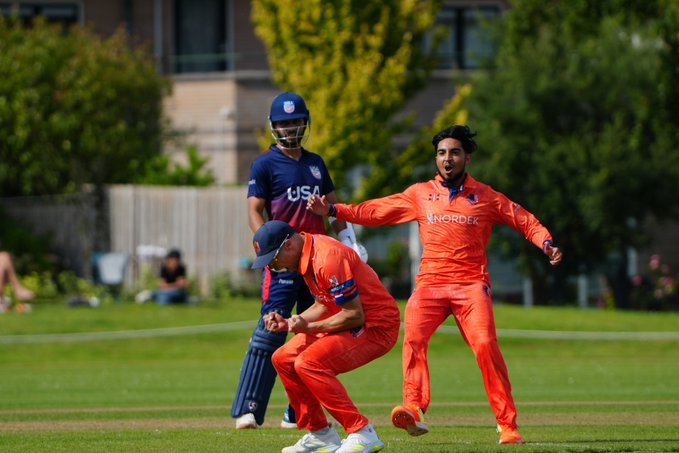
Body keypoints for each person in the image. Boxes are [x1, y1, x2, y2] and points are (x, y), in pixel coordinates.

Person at [307, 125, 564, 445]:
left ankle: (507, 424)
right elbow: (378, 210)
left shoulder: (485, 196)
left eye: (454, 152)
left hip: (471, 285)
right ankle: (414, 407)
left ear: (467, 158)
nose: (447, 158)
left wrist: (546, 242)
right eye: (441, 153)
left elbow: (521, 218)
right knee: (413, 336)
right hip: (430, 284)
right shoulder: (420, 194)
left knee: (485, 345)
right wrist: (334, 210)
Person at [232, 92, 363, 430]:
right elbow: (254, 209)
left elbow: (333, 208)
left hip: (316, 264)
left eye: (296, 122)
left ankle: (297, 412)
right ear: (275, 126)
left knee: (312, 338)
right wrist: (268, 247)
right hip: (284, 262)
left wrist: (349, 241)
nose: (291, 128)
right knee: (271, 329)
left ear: (305, 123)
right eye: (284, 123)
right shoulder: (264, 164)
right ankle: (250, 408)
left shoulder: (317, 163)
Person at [252, 220, 399, 453]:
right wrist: (290, 323)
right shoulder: (306, 257)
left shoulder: (326, 258)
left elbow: (355, 315)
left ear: (289, 245)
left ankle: (362, 432)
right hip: (349, 320)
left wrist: (308, 328)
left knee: (309, 363)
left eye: (274, 260)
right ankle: (321, 434)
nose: (275, 267)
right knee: (283, 358)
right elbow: (323, 304)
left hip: (377, 327)